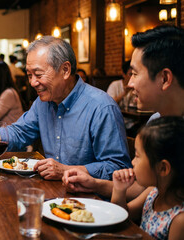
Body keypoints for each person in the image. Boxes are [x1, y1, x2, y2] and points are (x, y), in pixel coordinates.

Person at [0, 36, 131, 180]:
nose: (32, 83)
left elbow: (118, 168)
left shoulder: (101, 107)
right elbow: (21, 132)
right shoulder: (43, 102)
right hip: (52, 192)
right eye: (29, 75)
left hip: (91, 202)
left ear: (65, 70)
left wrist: (66, 170)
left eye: (38, 75)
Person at [63, 25, 184, 198]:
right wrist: (94, 184)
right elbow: (143, 189)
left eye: (134, 74)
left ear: (164, 78)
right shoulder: (155, 120)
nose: (129, 84)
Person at [111, 117, 184, 240]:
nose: (133, 162)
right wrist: (119, 190)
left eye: (137, 156)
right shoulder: (153, 192)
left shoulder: (179, 220)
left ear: (163, 168)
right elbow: (121, 215)